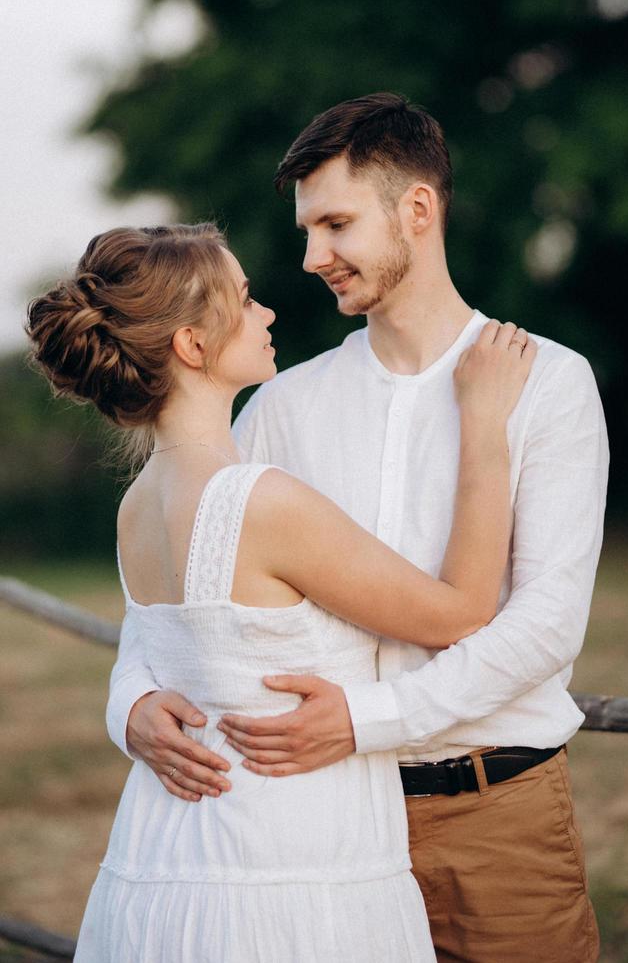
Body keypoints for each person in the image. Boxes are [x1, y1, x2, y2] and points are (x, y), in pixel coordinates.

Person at [110, 94, 609, 963]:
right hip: (314, 824)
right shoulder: (280, 406)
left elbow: (545, 624)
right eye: (306, 230)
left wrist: (368, 718)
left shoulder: (548, 384)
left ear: (416, 209)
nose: (312, 257)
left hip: (495, 817)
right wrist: (132, 704)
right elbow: (193, 597)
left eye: (335, 224)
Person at [27, 221, 535, 961]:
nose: (266, 313)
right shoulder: (261, 501)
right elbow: (458, 611)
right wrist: (485, 423)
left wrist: (128, 705)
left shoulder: (137, 504)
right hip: (290, 866)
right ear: (193, 346)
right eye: (245, 298)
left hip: (171, 855)